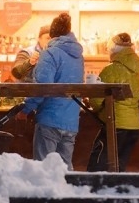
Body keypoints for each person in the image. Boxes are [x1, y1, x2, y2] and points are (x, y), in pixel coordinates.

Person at [16, 13, 84, 170]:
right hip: (71, 120)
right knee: (65, 169)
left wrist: (25, 109)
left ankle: (46, 195)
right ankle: (67, 193)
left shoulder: (50, 53)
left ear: (53, 36)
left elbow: (42, 87)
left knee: (44, 169)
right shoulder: (77, 56)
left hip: (50, 118)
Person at [87, 32, 139, 172]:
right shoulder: (135, 73)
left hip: (115, 124)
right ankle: (116, 190)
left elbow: (97, 99)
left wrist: (94, 106)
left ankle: (95, 191)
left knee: (98, 164)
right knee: (118, 166)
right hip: (134, 126)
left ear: (114, 49)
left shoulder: (110, 70)